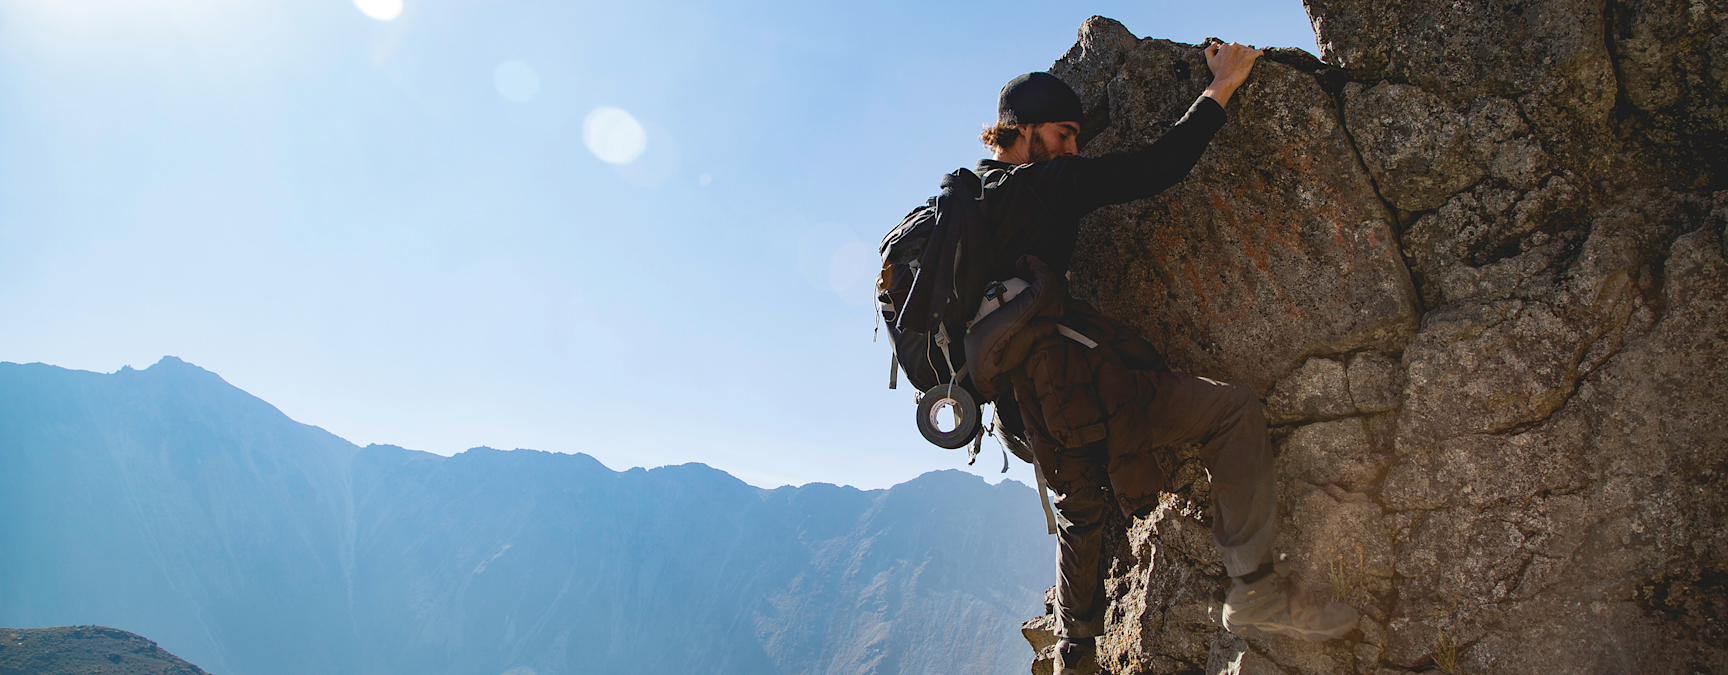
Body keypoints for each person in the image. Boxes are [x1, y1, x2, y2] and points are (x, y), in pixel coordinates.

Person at [961, 42, 1359, 674]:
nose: (1073, 149)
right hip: (1074, 392)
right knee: (1230, 413)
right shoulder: (1047, 185)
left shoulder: (968, 206)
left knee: (1078, 510)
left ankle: (1077, 655)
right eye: (1064, 135)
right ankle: (1254, 590)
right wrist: (1224, 84)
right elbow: (1161, 165)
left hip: (1020, 413)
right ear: (1027, 131)